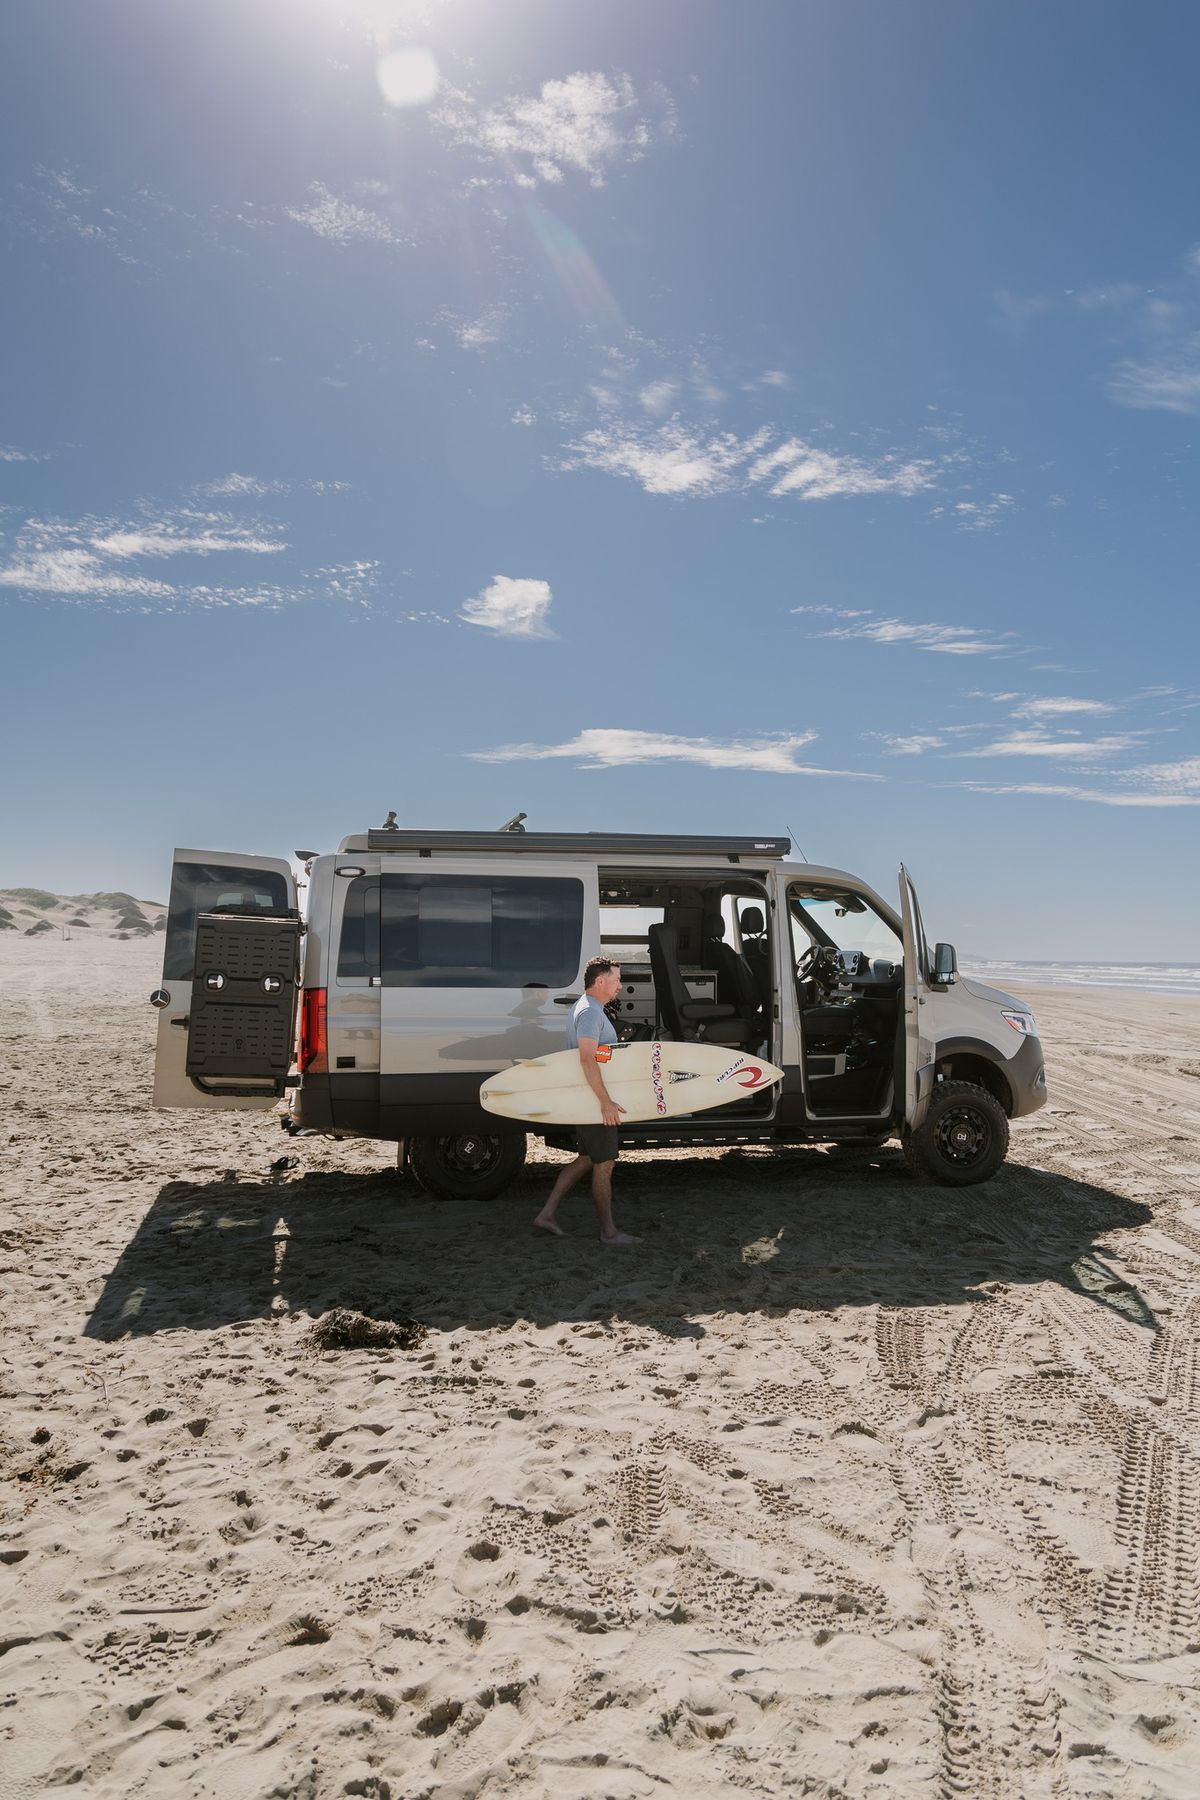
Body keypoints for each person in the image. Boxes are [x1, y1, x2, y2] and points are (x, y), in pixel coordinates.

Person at [532, 955, 638, 1245]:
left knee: (586, 1160)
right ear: (600, 981)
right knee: (604, 1164)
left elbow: (598, 1056)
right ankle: (608, 1232)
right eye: (616, 979)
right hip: (594, 1102)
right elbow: (587, 1059)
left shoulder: (590, 1008)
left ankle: (547, 1214)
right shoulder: (590, 1013)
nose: (620, 985)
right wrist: (605, 1102)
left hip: (587, 1098)